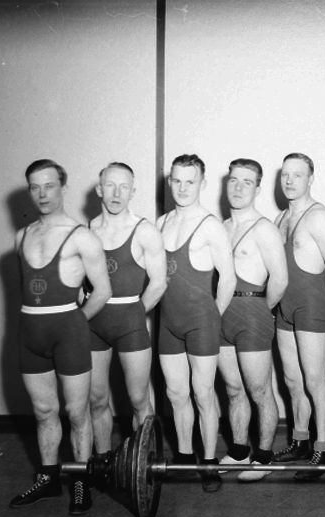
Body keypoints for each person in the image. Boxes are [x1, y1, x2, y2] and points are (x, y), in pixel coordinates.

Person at [10, 159, 111, 514]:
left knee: (77, 412)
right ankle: (49, 478)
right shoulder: (21, 236)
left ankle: (80, 482)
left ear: (63, 187)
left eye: (49, 185)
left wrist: (74, 323)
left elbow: (102, 291)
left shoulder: (82, 236)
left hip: (68, 332)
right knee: (43, 411)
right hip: (29, 332)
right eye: (35, 187)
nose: (42, 194)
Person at [157, 154, 236, 493]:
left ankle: (208, 462)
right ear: (169, 182)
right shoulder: (161, 222)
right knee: (176, 393)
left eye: (190, 181)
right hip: (168, 323)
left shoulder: (210, 225)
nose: (183, 187)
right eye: (177, 180)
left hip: (201, 322)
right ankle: (185, 456)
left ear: (202, 184)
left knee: (203, 393)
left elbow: (229, 278)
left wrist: (213, 316)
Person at [272, 153, 325, 480]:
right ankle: (300, 441)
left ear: (310, 179)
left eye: (298, 175)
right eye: (285, 175)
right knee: (292, 380)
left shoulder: (319, 217)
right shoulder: (280, 218)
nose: (290, 181)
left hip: (312, 305)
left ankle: (323, 450)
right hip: (285, 308)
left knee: (315, 380)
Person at [87, 163, 166, 461]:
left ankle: (144, 464)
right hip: (93, 325)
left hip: (130, 322)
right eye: (110, 185)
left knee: (138, 398)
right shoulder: (86, 231)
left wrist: (134, 313)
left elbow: (159, 283)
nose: (116, 193)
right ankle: (103, 462)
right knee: (96, 399)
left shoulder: (144, 231)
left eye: (124, 187)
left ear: (133, 192)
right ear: (99, 189)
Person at [218, 158, 288, 482]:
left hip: (252, 312)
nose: (238, 187)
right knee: (233, 389)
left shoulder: (264, 228)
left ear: (257, 189)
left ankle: (264, 457)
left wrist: (260, 309)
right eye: (233, 180)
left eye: (247, 182)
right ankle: (238, 452)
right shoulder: (221, 227)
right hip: (222, 313)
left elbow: (280, 279)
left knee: (259, 390)